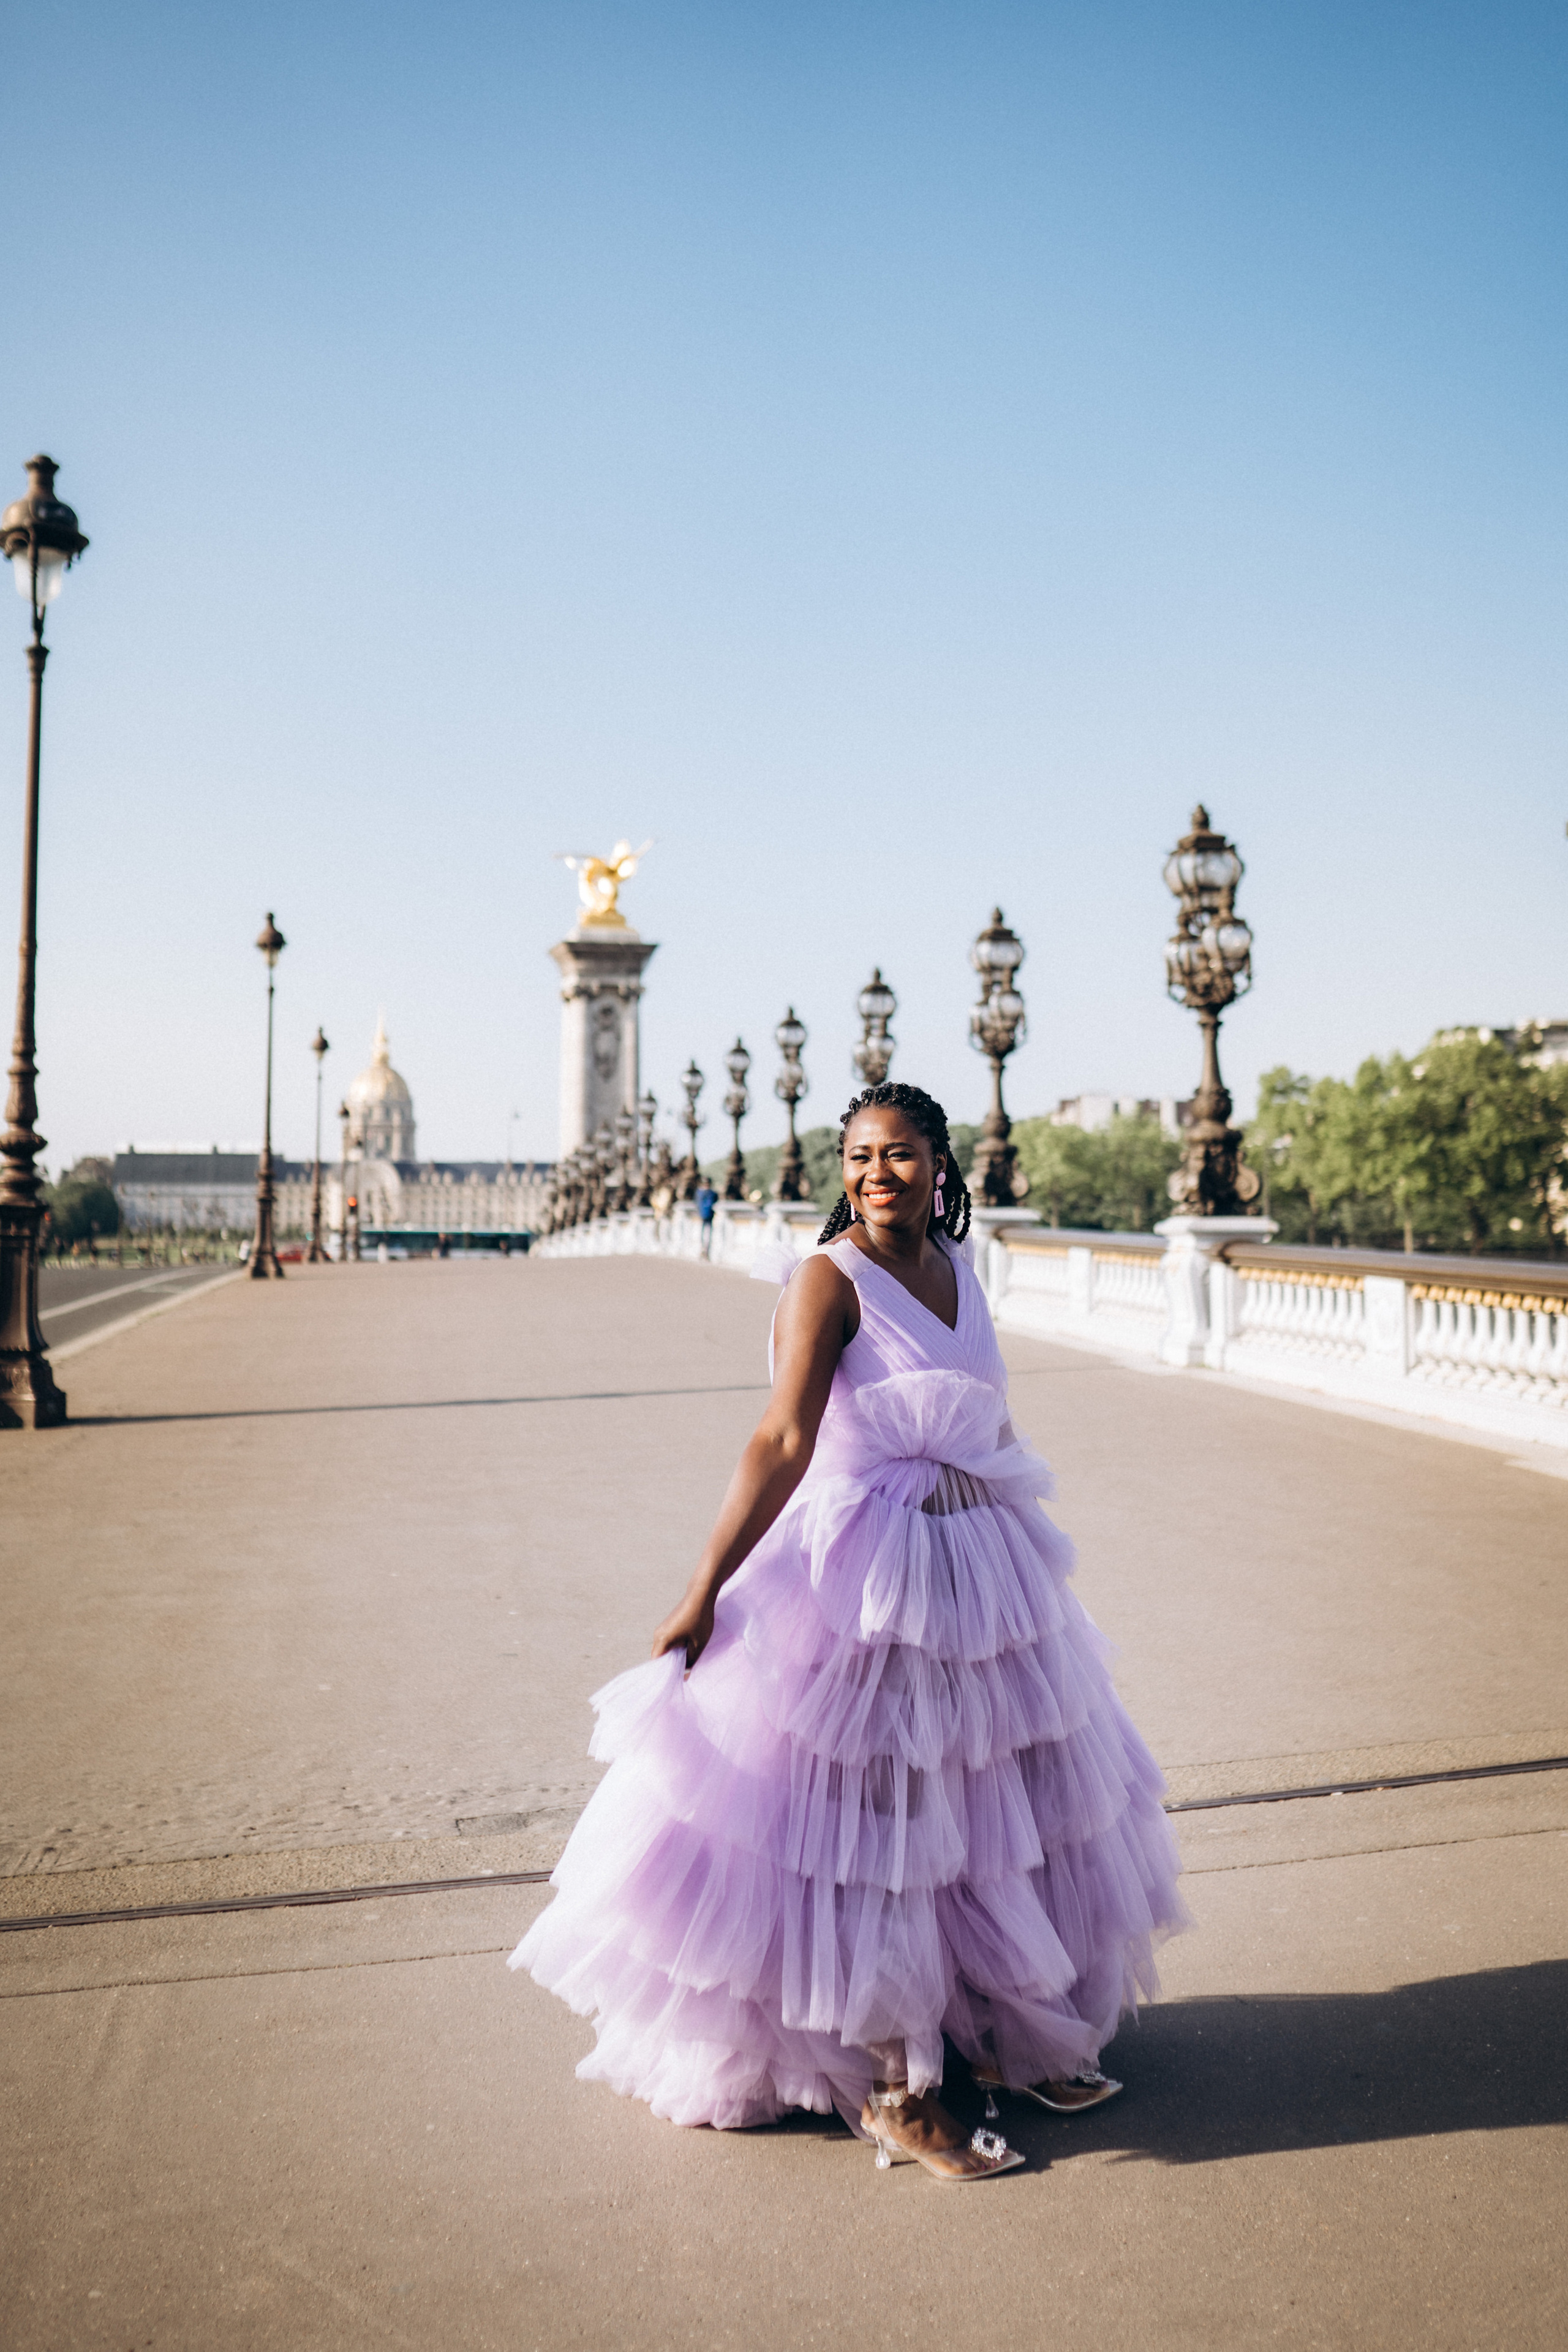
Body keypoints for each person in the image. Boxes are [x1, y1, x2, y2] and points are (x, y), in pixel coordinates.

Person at [511, 1082, 1188, 2182]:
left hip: (984, 1576)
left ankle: (1016, 2035)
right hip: (866, 1584)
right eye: (863, 1157)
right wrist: (704, 1588)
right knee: (881, 1826)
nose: (881, 1174)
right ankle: (895, 2087)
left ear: (941, 1166)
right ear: (844, 1171)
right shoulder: (827, 1281)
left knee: (996, 1808)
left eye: (903, 1155)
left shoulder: (964, 1270)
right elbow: (781, 1440)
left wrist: (1023, 1551)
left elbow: (990, 1420)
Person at [695, 1177, 718, 1257]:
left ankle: (704, 1251)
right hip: (706, 1216)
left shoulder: (700, 1193)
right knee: (705, 1234)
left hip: (705, 1216)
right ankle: (704, 1251)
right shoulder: (712, 1193)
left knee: (705, 1234)